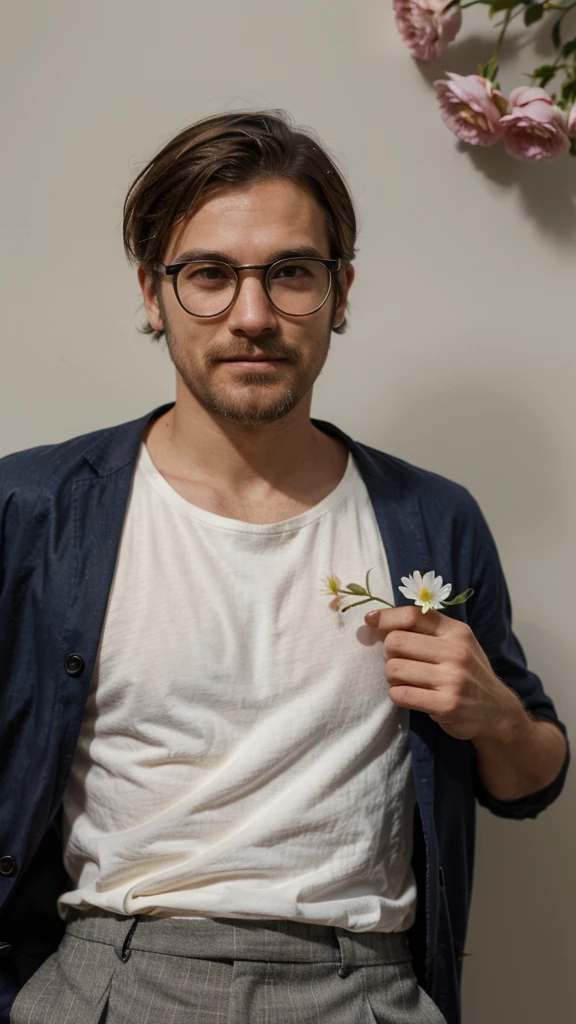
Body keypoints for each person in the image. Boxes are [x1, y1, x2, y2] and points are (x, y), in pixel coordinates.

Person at [0, 109, 569, 1024]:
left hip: (366, 986)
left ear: (341, 294)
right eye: (210, 276)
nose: (253, 316)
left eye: (292, 274)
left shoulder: (431, 519)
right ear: (154, 294)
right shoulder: (31, 510)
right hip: (111, 975)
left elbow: (533, 776)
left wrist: (493, 712)